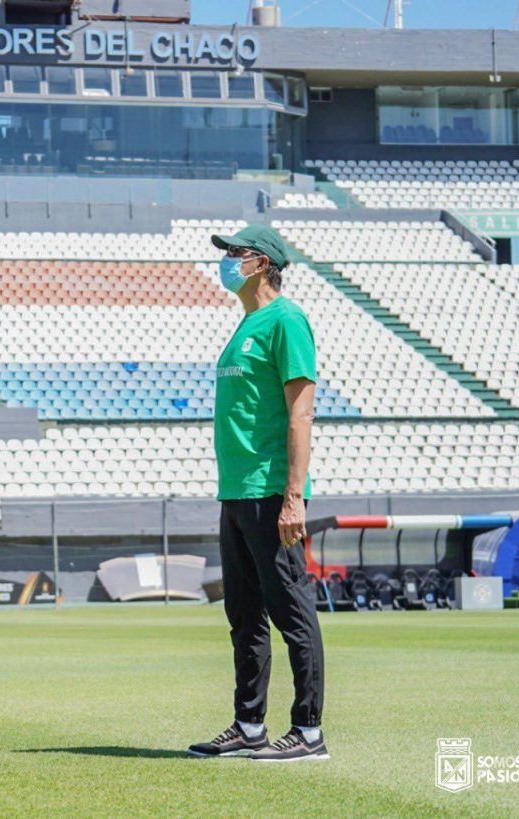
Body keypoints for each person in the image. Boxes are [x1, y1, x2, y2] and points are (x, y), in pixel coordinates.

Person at [188, 225, 328, 763]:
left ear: (263, 262)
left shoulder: (286, 320)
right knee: (244, 615)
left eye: (234, 254)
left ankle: (309, 732)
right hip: (237, 493)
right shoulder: (246, 324)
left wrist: (294, 496)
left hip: (272, 493)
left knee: (291, 611)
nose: (225, 262)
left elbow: (301, 411)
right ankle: (250, 725)